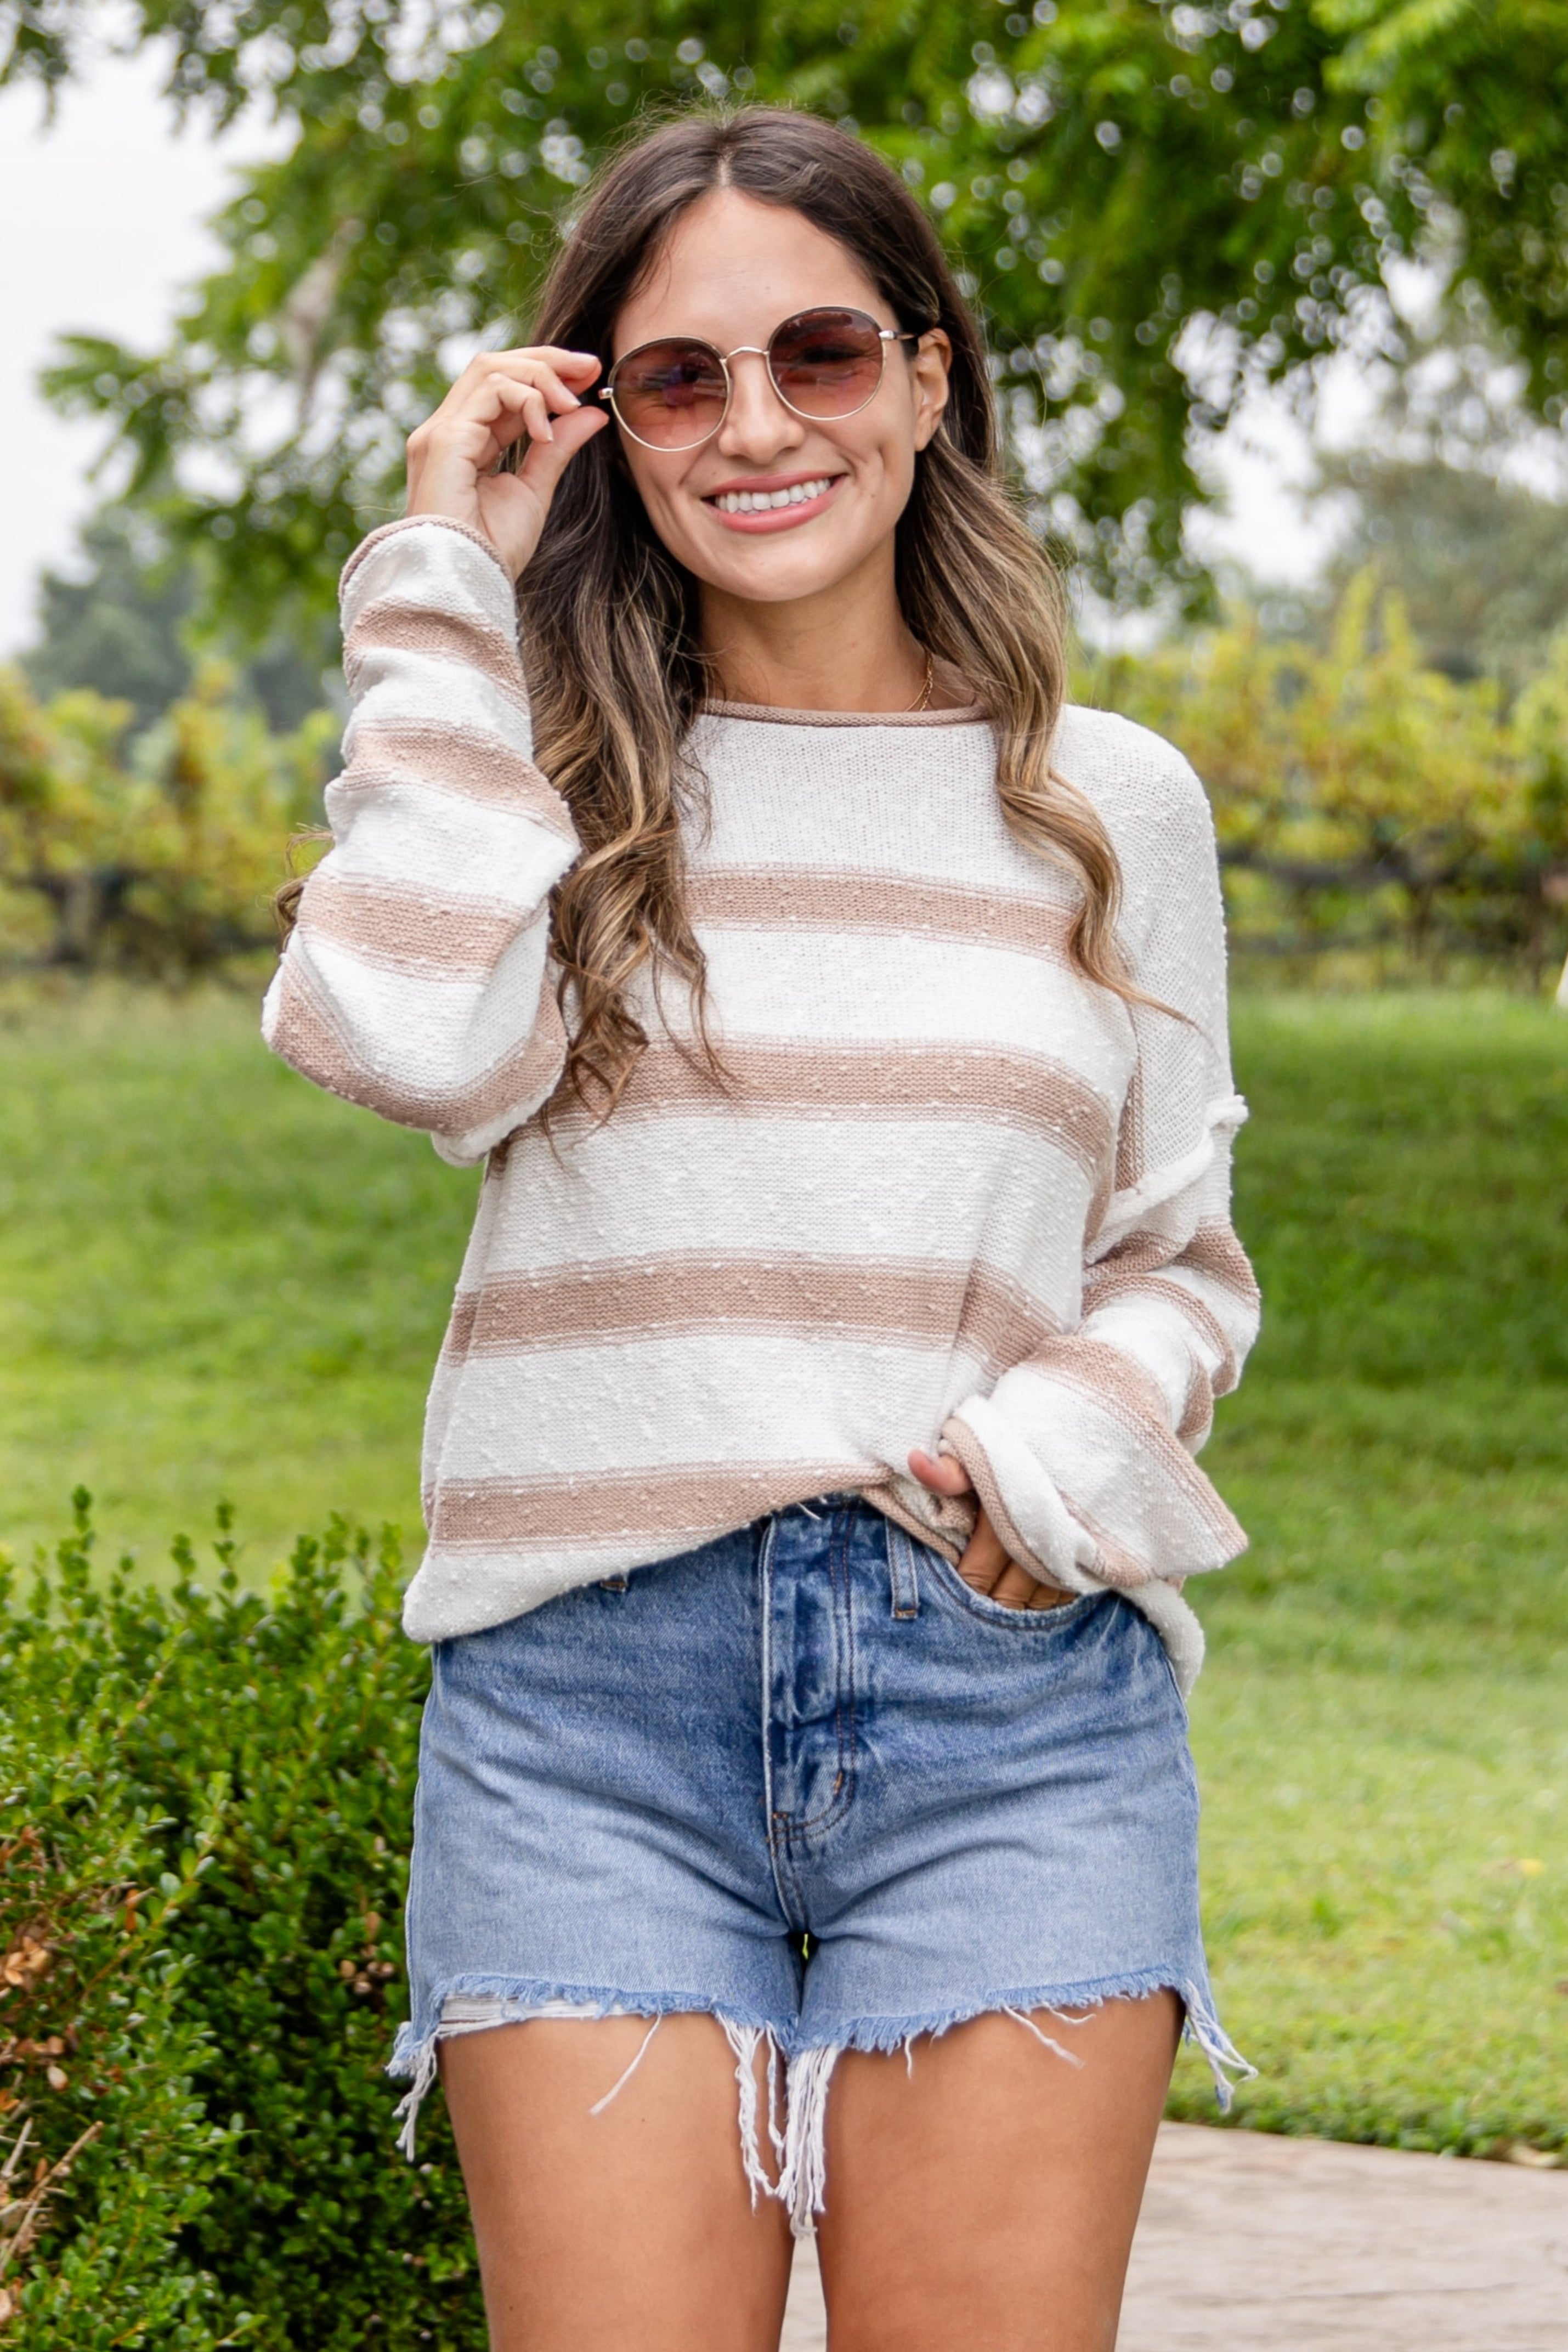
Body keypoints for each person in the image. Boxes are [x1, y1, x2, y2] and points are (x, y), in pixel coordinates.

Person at [264, 104, 1259, 2352]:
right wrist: (447, 576)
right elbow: (403, 1034)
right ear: (603, 426)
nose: (757, 425)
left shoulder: (1110, 802)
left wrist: (1040, 1464)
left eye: (818, 354)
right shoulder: (543, 775)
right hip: (586, 1716)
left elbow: (1178, 1265)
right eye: (678, 378)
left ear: (924, 378)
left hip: (1006, 1712)